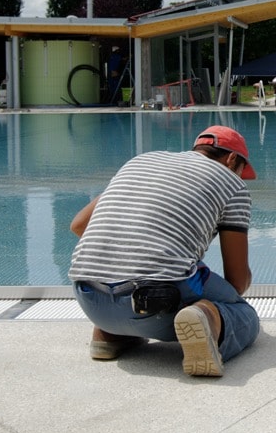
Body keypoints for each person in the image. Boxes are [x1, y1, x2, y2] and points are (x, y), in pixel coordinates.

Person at [68, 125, 260, 377]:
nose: (240, 177)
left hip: (88, 297)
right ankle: (207, 319)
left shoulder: (141, 162)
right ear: (232, 159)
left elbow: (78, 225)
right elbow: (237, 280)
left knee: (174, 273)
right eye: (240, 171)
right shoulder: (233, 185)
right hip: (157, 303)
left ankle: (109, 333)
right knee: (243, 314)